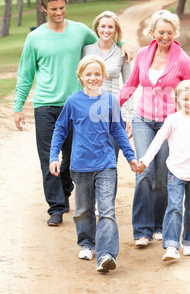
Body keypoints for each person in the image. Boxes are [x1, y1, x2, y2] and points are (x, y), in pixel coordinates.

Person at [13, 0, 133, 227]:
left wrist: (125, 43)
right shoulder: (35, 37)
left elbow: (104, 40)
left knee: (71, 158)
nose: (59, 12)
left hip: (77, 105)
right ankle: (56, 208)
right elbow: (26, 74)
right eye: (53, 9)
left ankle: (65, 188)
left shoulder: (79, 31)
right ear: (43, 9)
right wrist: (18, 107)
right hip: (45, 105)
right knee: (49, 156)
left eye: (62, 8)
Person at [49, 56, 139, 273]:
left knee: (106, 209)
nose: (93, 78)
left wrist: (130, 156)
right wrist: (54, 156)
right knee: (83, 210)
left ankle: (106, 254)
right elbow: (60, 129)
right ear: (80, 77)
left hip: (106, 163)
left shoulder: (110, 101)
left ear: (103, 76)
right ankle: (87, 244)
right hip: (80, 165)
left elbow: (117, 129)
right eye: (88, 74)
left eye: (97, 74)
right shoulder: (73, 101)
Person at [118, 10, 190, 247]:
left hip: (169, 123)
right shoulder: (143, 54)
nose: (165, 36)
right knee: (144, 173)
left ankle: (159, 226)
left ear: (175, 34)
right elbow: (131, 85)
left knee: (162, 178)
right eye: (161, 32)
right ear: (152, 32)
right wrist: (110, 106)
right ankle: (141, 230)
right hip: (143, 120)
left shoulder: (181, 59)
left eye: (170, 33)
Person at [138, 79, 190, 261]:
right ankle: (171, 246)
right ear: (178, 99)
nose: (188, 103)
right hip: (176, 171)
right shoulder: (172, 120)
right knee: (174, 207)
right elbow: (157, 141)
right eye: (185, 99)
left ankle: (189, 242)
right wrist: (144, 161)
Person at [82, 10, 134, 155]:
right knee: (91, 156)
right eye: (103, 26)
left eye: (110, 27)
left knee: (111, 157)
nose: (106, 30)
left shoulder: (122, 53)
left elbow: (129, 86)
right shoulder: (86, 50)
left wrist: (131, 117)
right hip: (90, 111)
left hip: (116, 112)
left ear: (115, 29)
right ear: (97, 28)